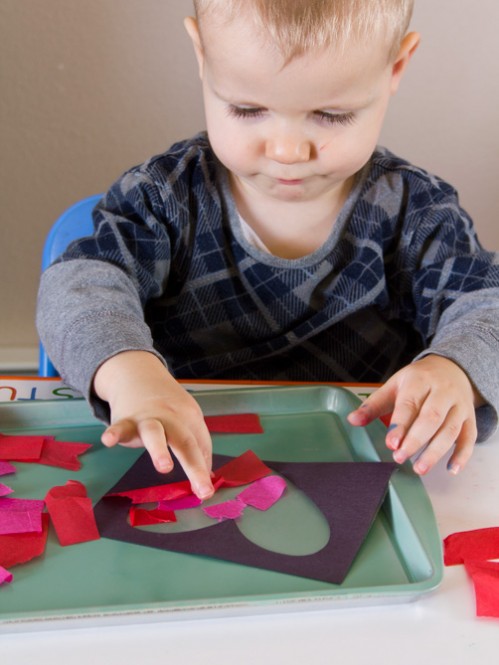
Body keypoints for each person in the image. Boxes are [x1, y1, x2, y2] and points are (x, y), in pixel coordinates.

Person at [37, 0, 499, 499]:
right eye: (248, 109)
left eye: (330, 114)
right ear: (203, 56)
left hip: (362, 478)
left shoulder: (417, 214)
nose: (287, 151)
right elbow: (80, 284)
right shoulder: (164, 198)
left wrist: (457, 369)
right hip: (187, 473)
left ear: (397, 67)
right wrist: (127, 370)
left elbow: (486, 306)